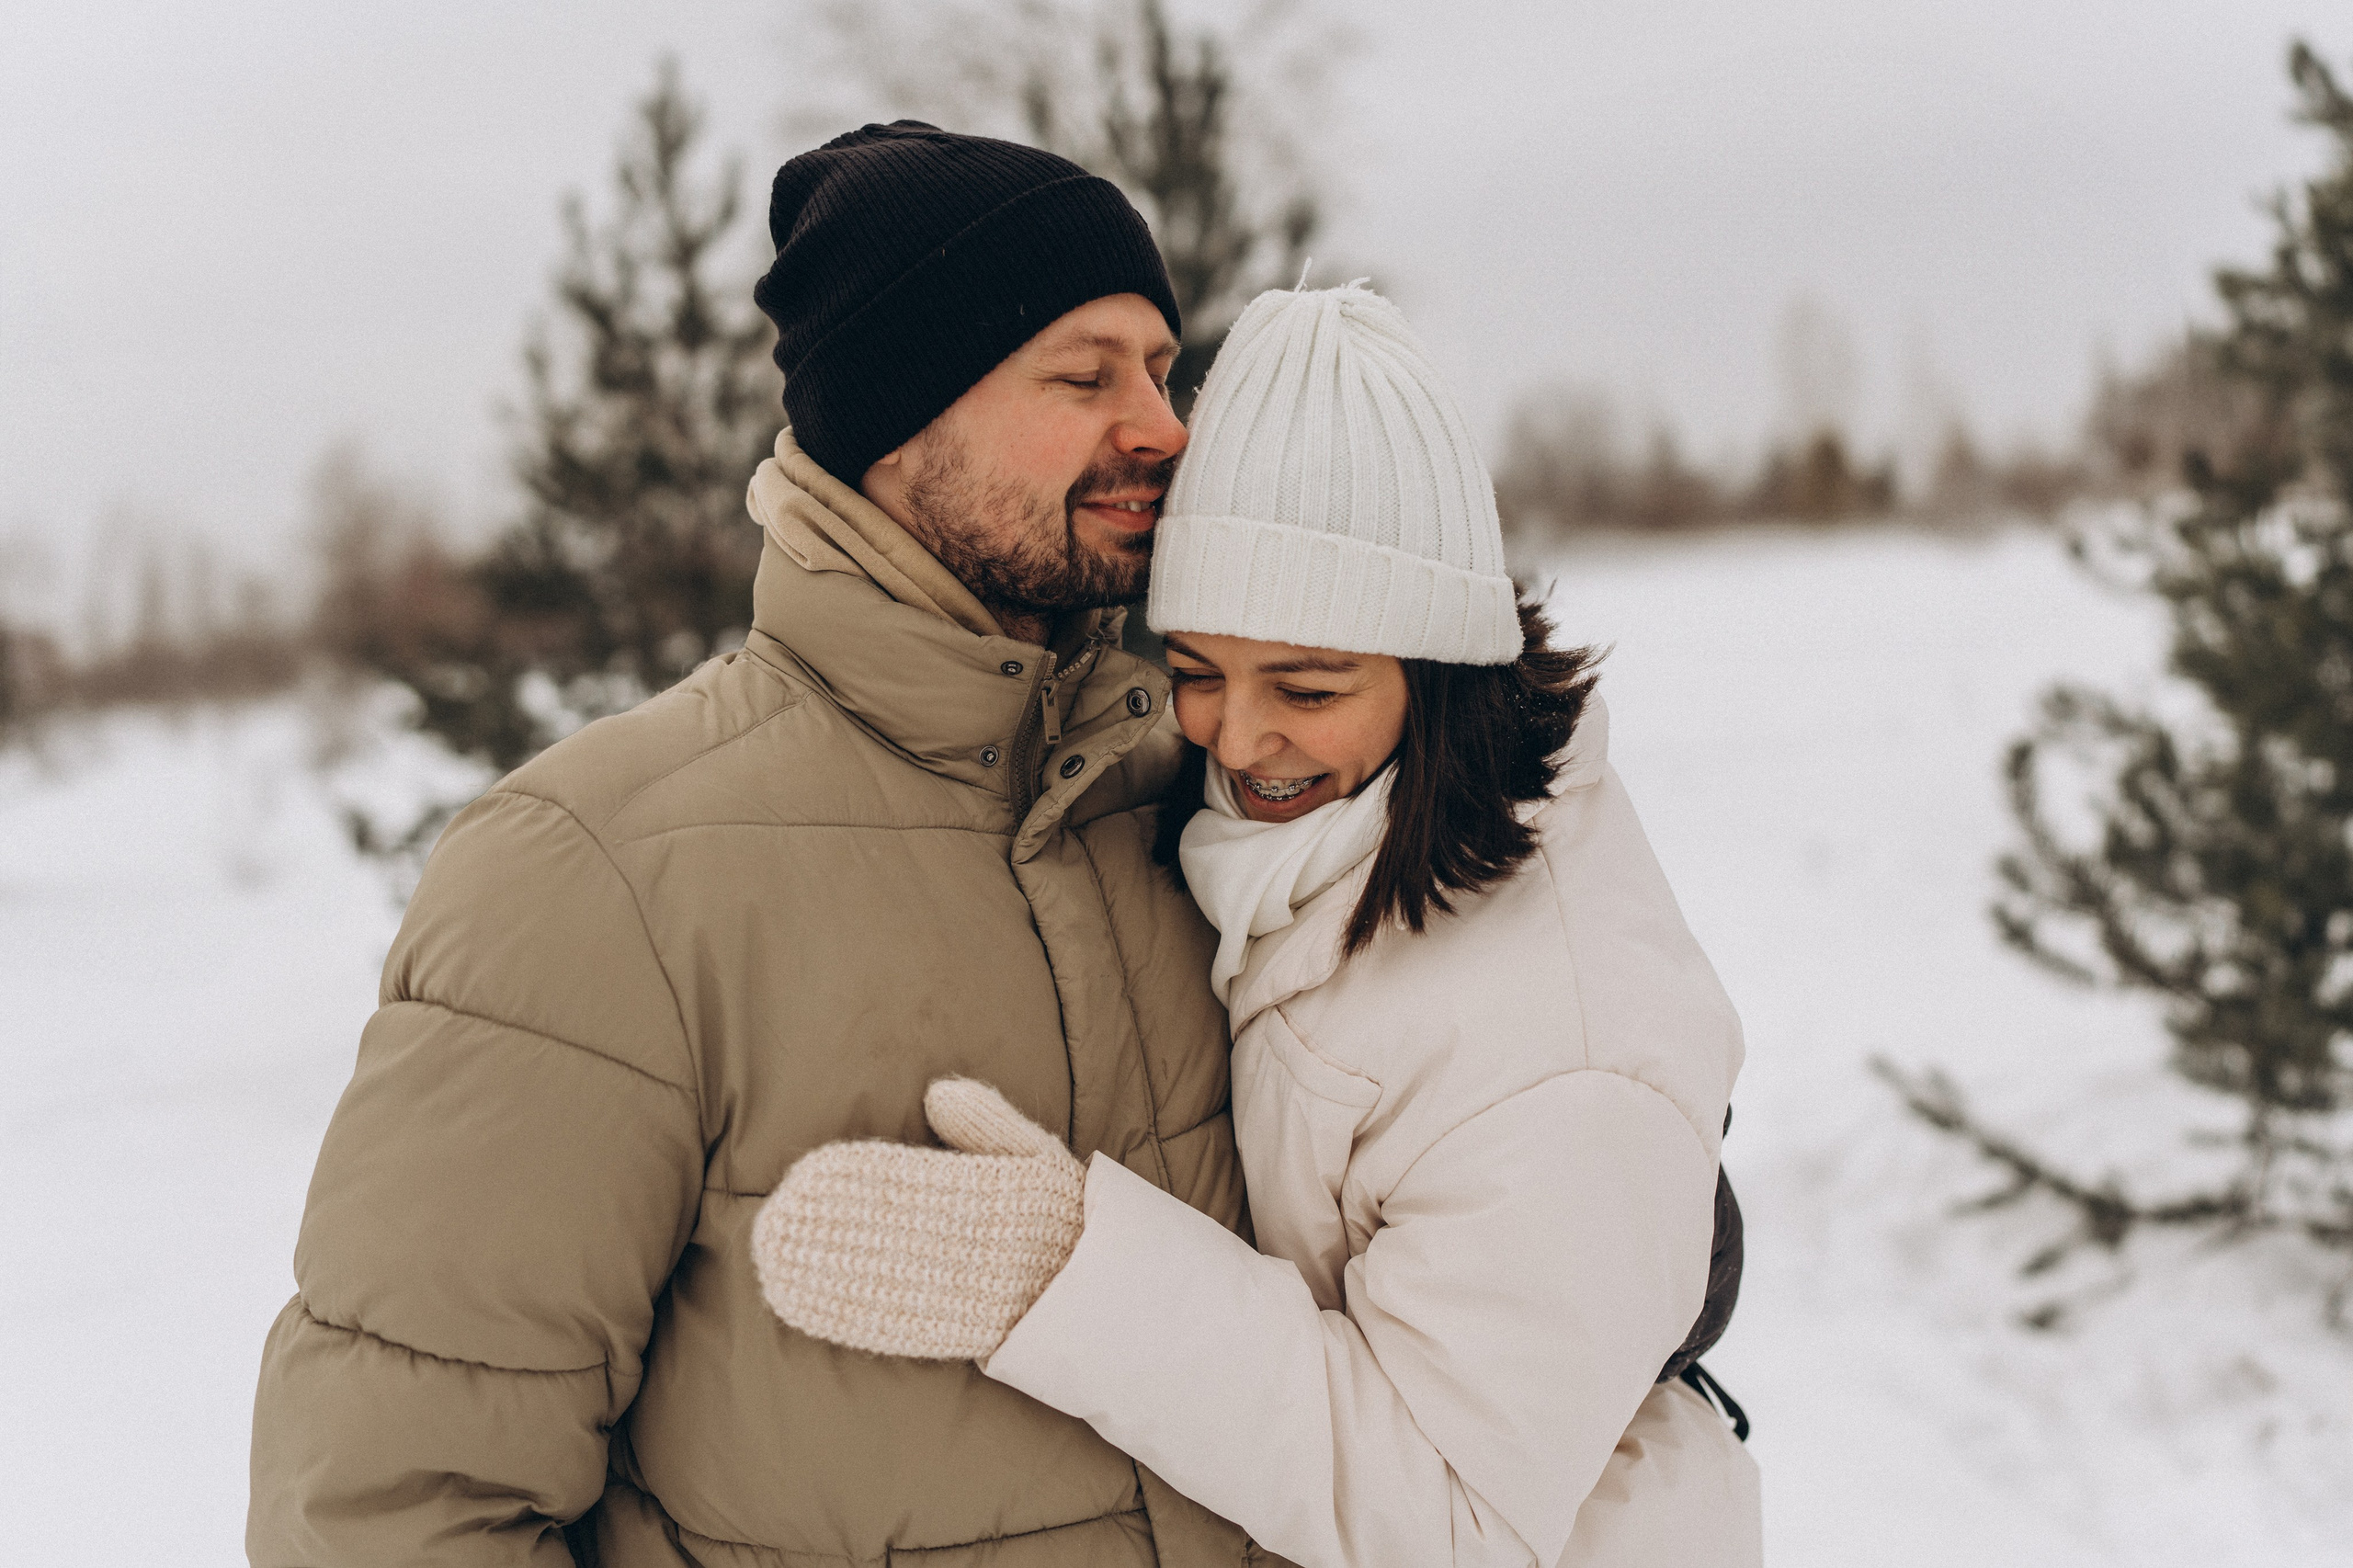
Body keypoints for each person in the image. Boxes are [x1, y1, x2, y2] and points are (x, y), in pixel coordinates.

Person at [247, 122, 1279, 1566]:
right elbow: (398, 1508)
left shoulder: (1221, 786)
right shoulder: (600, 869)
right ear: (900, 419)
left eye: (1162, 370)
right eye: (1084, 373)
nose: (1165, 426)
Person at [753, 283, 1764, 1565]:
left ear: (1438, 667)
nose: (1238, 735)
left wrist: (1072, 1274)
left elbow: (1447, 1517)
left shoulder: (1557, 1045)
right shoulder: (1300, 836)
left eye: (1307, 684)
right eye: (1196, 672)